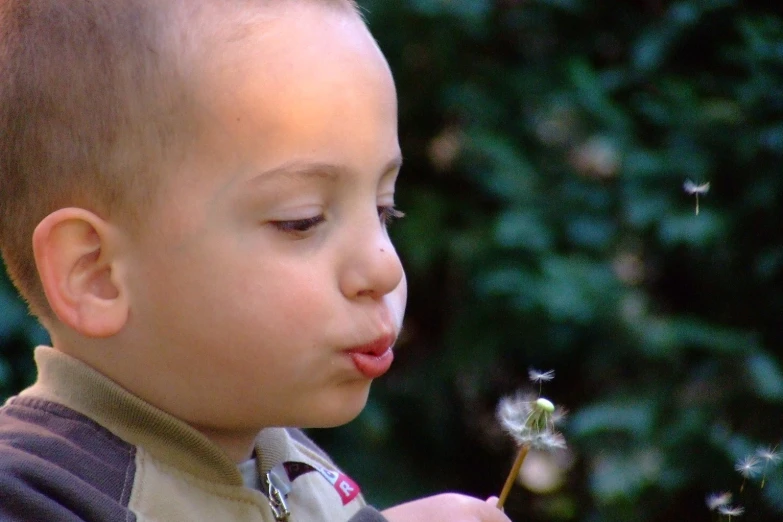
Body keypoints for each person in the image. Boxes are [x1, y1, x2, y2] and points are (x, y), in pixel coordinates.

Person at [0, 1, 512, 521]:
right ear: (97, 274)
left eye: (385, 209)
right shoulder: (36, 496)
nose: (385, 269)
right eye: (302, 220)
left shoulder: (292, 465)